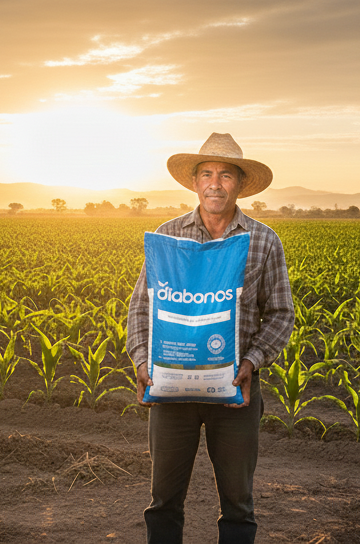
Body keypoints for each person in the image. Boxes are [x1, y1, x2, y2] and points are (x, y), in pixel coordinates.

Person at [127, 132, 295, 544]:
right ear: (195, 182)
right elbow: (141, 307)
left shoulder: (263, 241)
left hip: (235, 389)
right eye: (206, 174)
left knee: (238, 504)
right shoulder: (168, 236)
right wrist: (142, 361)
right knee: (163, 501)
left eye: (225, 175)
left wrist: (252, 362)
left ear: (240, 184)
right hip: (172, 391)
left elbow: (281, 314)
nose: (215, 184)